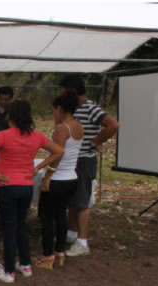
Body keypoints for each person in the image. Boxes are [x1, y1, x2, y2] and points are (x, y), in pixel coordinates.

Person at [0, 99, 64, 283]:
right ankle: (25, 265)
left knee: (9, 227)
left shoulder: (3, 135)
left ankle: (8, 272)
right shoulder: (37, 136)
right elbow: (58, 152)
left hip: (7, 186)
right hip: (26, 187)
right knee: (20, 226)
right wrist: (38, 167)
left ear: (11, 116)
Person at [59, 75, 119, 257]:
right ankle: (71, 234)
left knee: (83, 200)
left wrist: (96, 140)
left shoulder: (91, 108)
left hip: (84, 160)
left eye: (63, 92)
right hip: (72, 160)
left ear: (72, 91)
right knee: (72, 199)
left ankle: (83, 242)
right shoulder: (73, 109)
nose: (62, 96)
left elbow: (113, 125)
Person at [37, 91, 84, 269]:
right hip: (71, 177)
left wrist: (47, 177)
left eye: (53, 110)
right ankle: (59, 252)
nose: (52, 113)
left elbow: (58, 154)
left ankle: (47, 256)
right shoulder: (79, 127)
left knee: (47, 218)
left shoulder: (61, 128)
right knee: (61, 216)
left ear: (59, 108)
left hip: (57, 178)